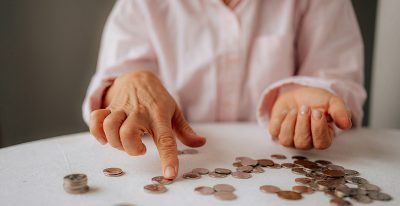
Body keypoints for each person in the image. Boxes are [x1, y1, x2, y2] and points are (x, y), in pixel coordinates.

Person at [83, 0, 366, 180]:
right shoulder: (140, 5)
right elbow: (111, 88)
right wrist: (126, 85)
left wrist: (315, 97)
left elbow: (342, 83)